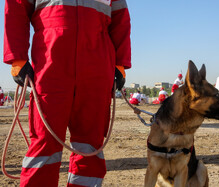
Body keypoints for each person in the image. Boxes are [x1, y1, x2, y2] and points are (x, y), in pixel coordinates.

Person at [4, 0, 131, 186]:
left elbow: (120, 18)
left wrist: (120, 62)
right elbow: (16, 6)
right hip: (50, 65)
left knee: (90, 146)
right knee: (45, 142)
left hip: (96, 67)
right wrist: (17, 57)